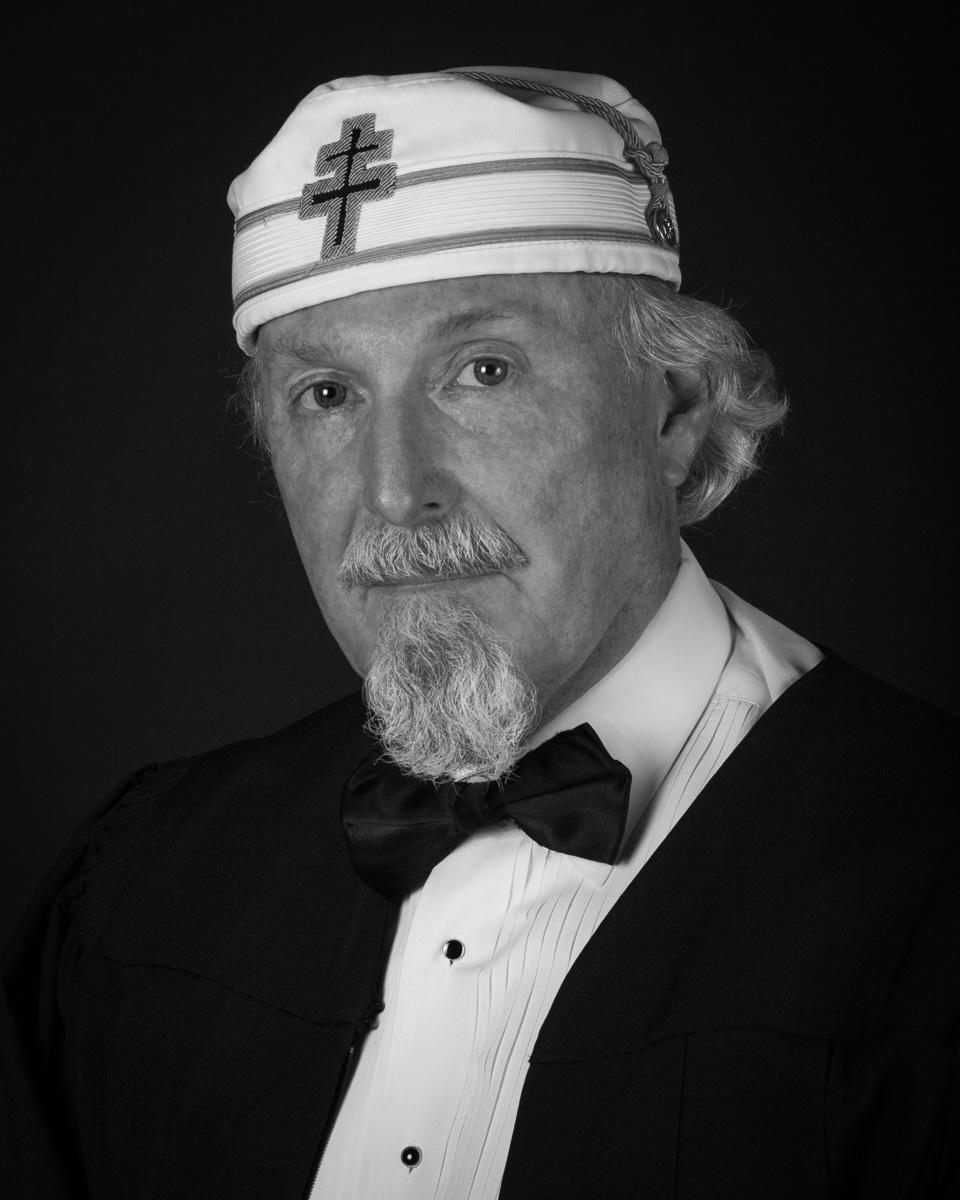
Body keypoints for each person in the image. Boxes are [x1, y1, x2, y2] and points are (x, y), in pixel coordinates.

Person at [2, 66, 957, 1200]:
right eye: (327, 395)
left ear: (674, 411)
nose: (394, 490)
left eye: (482, 372)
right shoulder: (147, 882)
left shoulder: (926, 895)